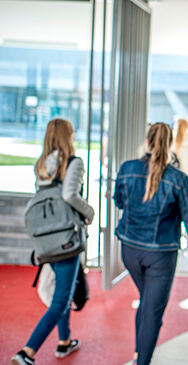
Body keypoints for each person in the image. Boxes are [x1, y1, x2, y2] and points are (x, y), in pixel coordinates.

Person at [114, 122, 188, 365]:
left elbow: (119, 202)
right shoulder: (178, 179)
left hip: (129, 250)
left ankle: (138, 354)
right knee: (153, 310)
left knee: (147, 302)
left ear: (148, 142)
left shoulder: (127, 168)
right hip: (161, 255)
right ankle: (142, 361)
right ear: (169, 145)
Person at [12, 118, 94, 365]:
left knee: (63, 290)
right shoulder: (73, 163)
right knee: (60, 300)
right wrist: (89, 212)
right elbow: (69, 195)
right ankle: (27, 351)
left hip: (47, 240)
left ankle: (64, 341)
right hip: (66, 239)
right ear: (67, 136)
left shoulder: (41, 166)